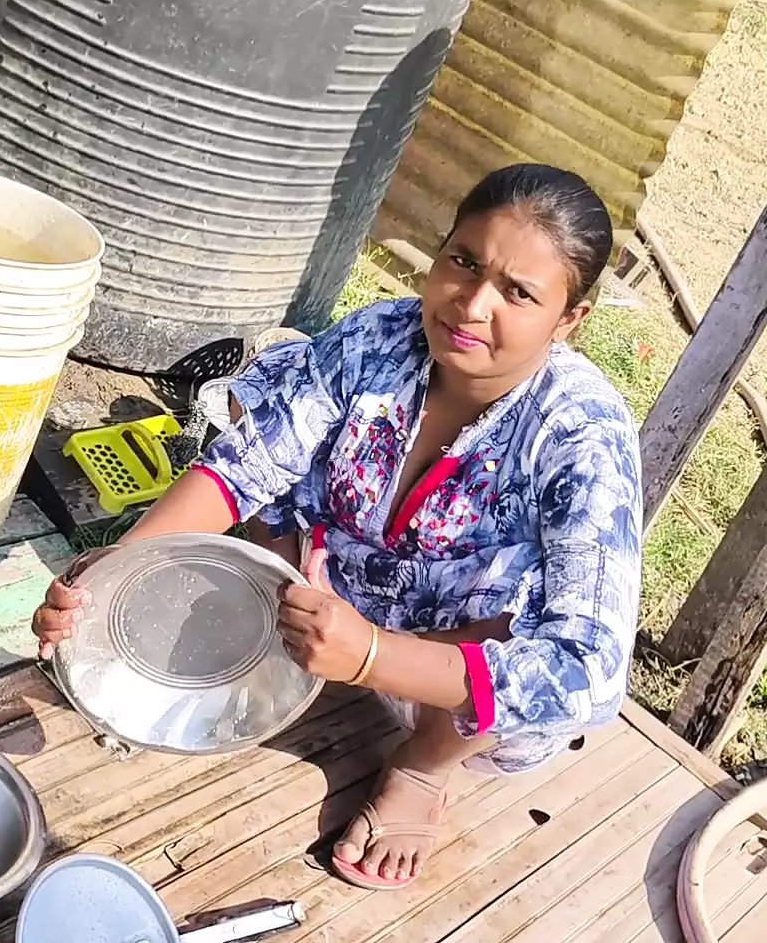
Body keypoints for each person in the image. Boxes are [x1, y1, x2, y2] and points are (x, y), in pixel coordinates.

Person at [31, 163, 643, 891]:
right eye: (464, 262)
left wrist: (369, 656)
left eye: (519, 293)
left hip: (446, 666)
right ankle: (288, 629)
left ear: (569, 320)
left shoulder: (581, 436)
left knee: (535, 624)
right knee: (272, 413)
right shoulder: (382, 336)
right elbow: (243, 467)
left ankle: (423, 767)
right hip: (327, 585)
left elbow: (588, 671)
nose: (473, 305)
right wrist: (112, 577)